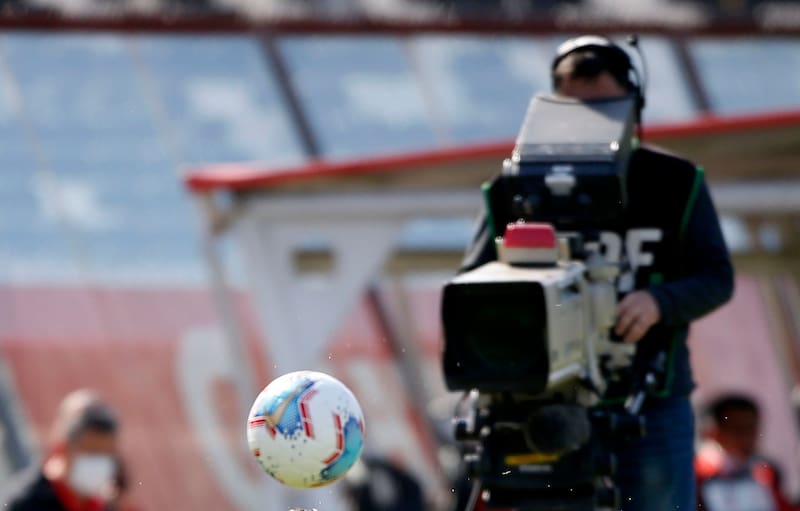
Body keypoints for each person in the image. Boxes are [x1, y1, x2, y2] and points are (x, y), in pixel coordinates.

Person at [460, 35, 735, 510]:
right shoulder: (516, 186)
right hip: (538, 408)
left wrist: (658, 303)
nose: (589, 121)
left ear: (633, 107)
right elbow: (472, 288)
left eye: (604, 108)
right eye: (573, 107)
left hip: (649, 404)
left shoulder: (674, 184)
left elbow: (716, 277)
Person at [4, 389, 121, 511]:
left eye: (107, 453)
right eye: (93, 452)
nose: (99, 462)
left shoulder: (104, 506)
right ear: (64, 448)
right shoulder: (24, 503)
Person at [696, 394, 797, 511]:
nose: (747, 437)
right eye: (738, 430)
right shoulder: (697, 476)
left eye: (751, 428)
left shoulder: (765, 472)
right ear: (714, 432)